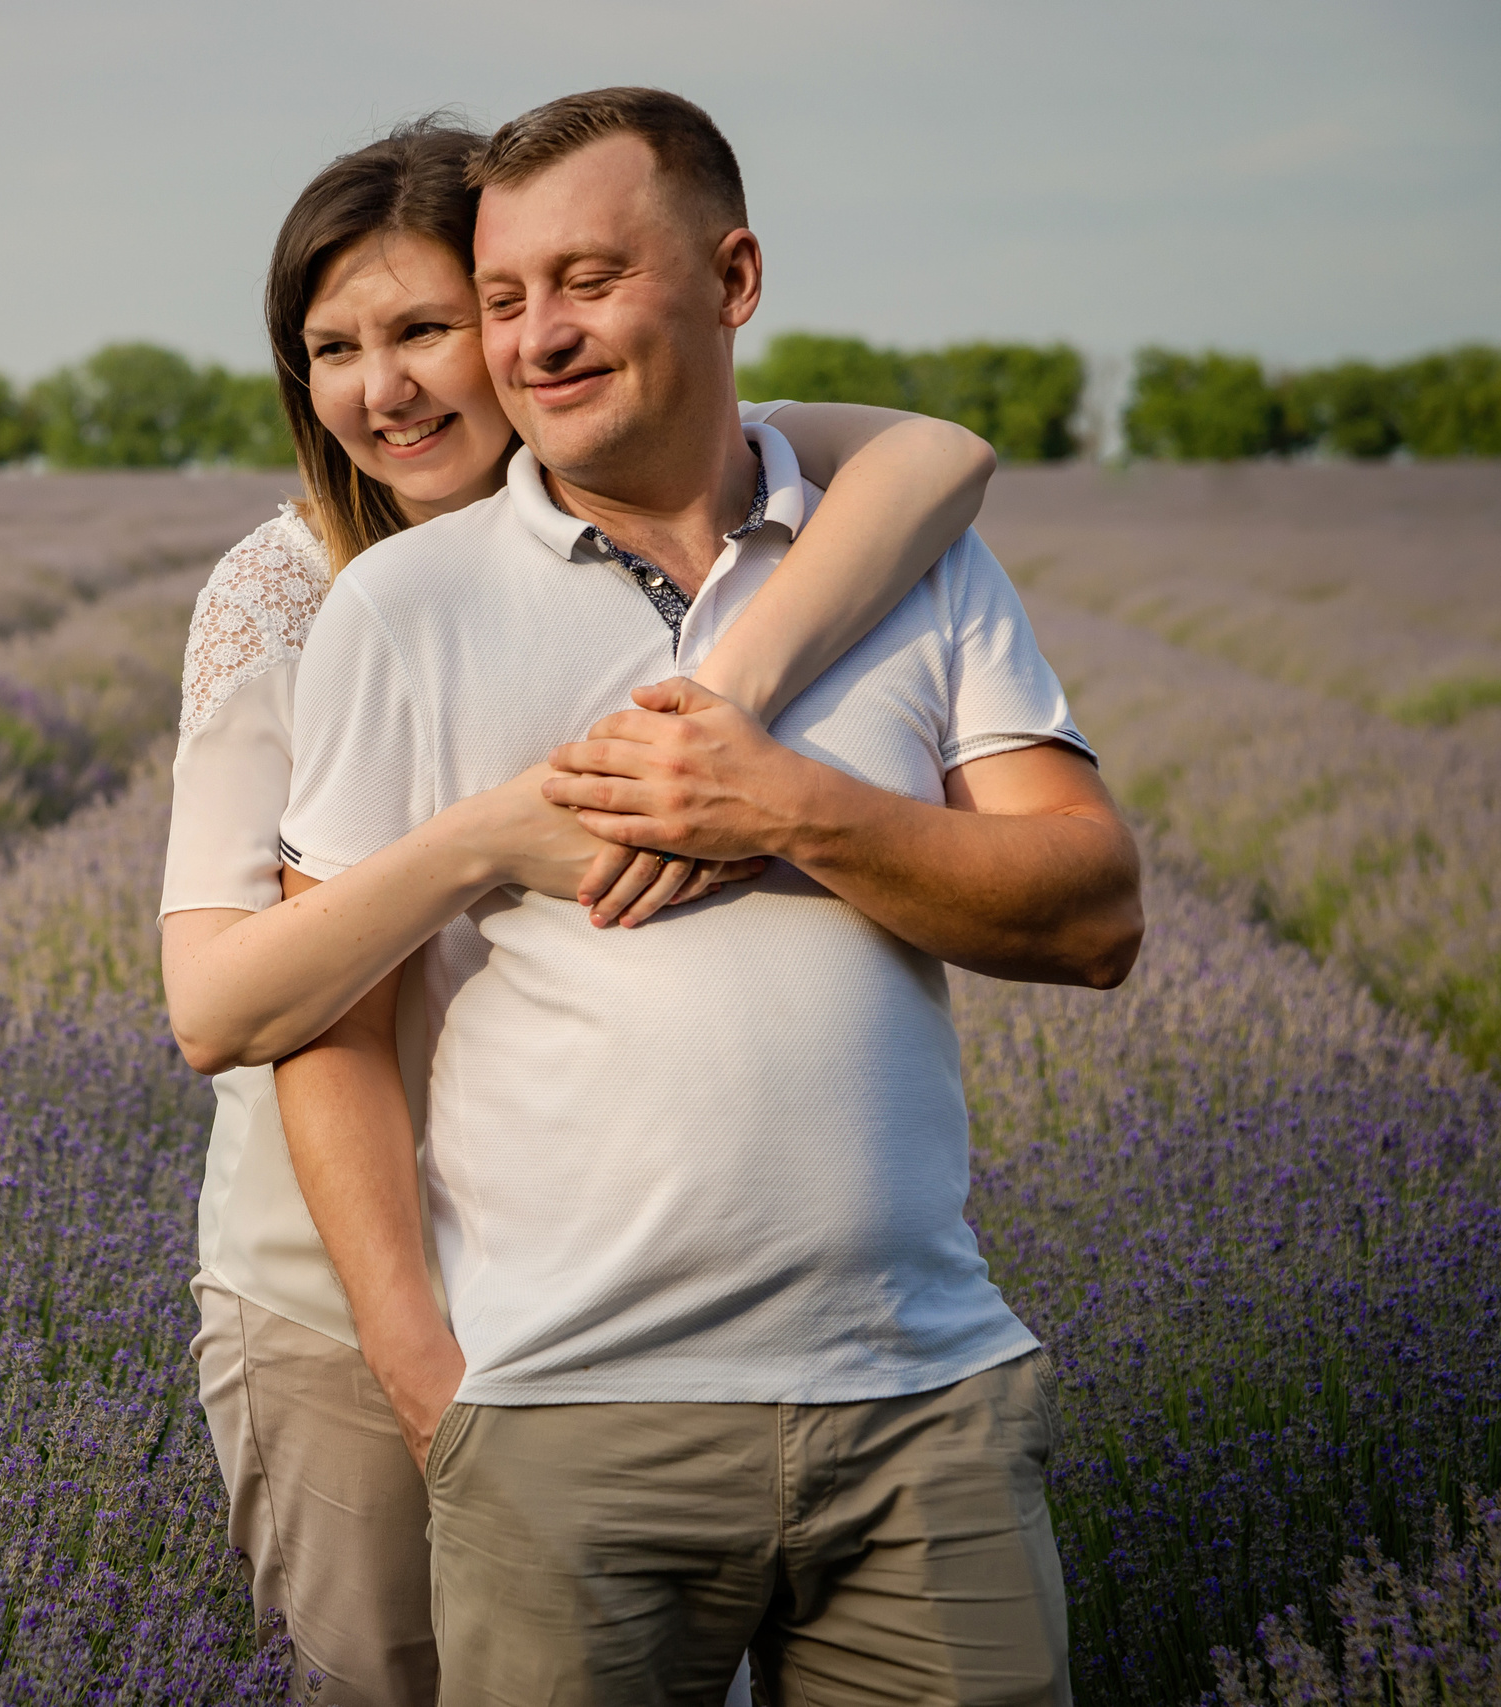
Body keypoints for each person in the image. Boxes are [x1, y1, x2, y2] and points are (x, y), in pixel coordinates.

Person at [273, 90, 1142, 1706]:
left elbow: (1092, 911)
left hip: (920, 1401)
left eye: (588, 280)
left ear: (733, 279)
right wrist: (427, 1379)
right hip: (566, 1423)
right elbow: (323, 1013)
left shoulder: (921, 564)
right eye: (508, 299)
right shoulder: (405, 608)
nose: (537, 338)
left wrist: (790, 808)